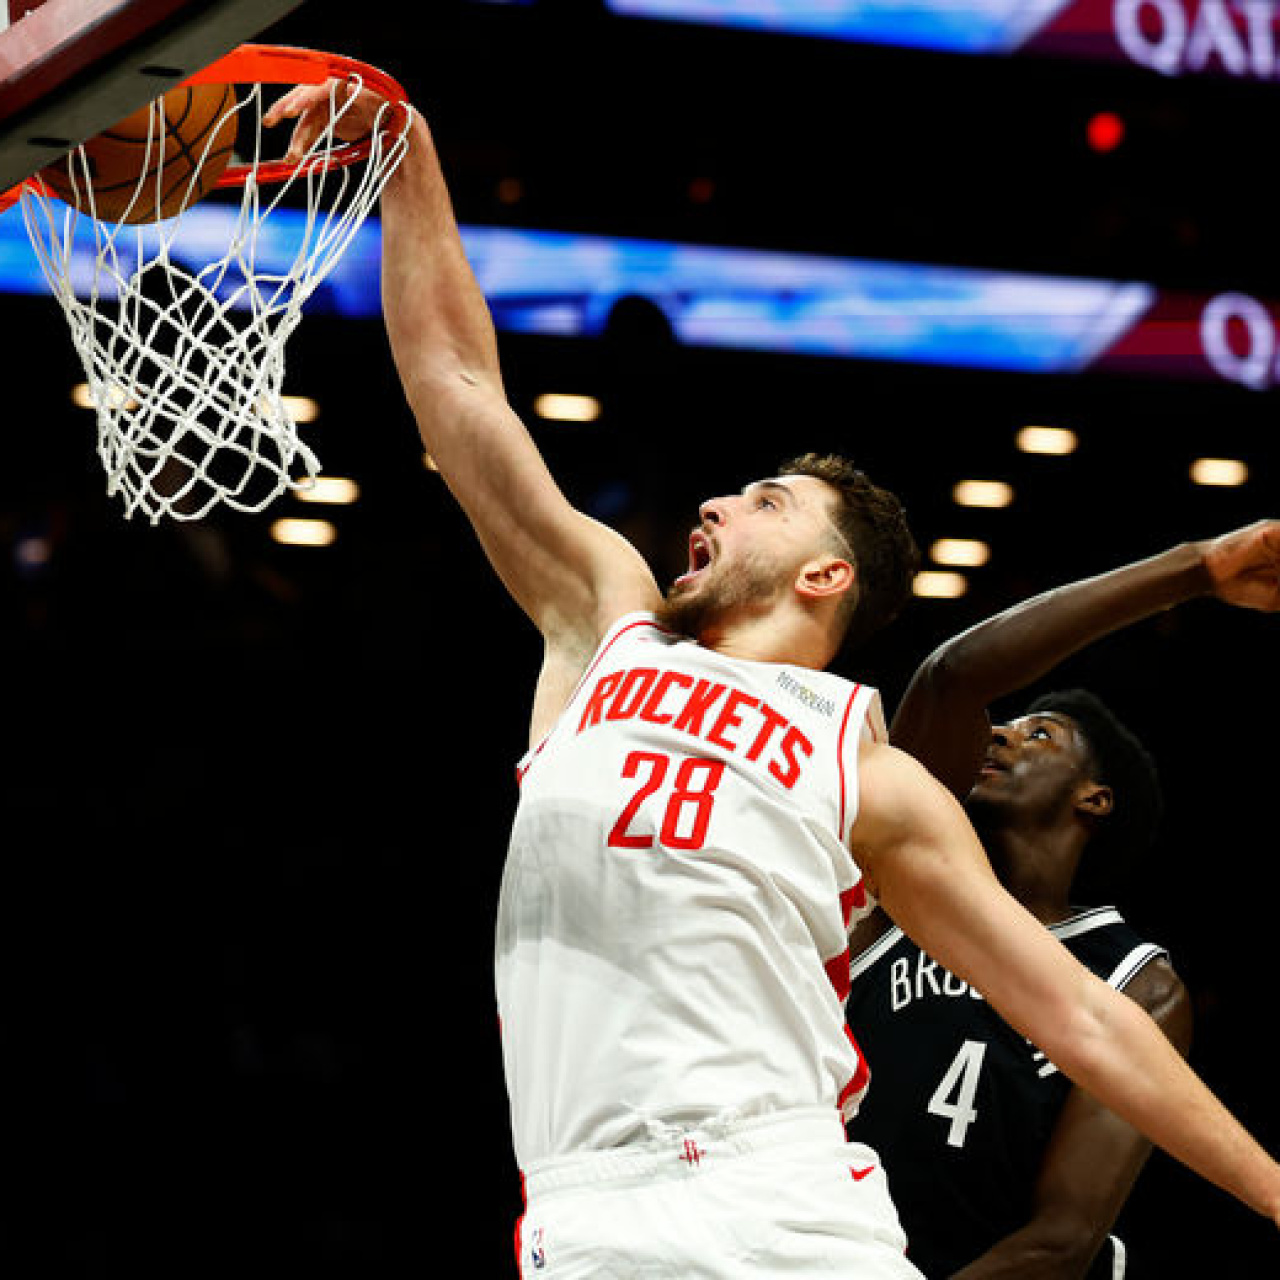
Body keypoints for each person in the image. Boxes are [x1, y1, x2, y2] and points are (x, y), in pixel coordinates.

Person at [263, 82, 1280, 1278]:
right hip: (580, 1213)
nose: (714, 502)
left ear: (824, 572)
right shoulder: (607, 627)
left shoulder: (866, 766)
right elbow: (457, 385)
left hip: (774, 1203)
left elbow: (1079, 1015)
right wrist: (407, 154)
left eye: (764, 500)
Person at [846, 522, 1280, 1276]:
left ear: (1095, 799)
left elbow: (1063, 1238)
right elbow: (952, 678)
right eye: (1006, 724)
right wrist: (1194, 567)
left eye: (1038, 733)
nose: (1002, 736)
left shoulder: (1134, 979)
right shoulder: (896, 888)